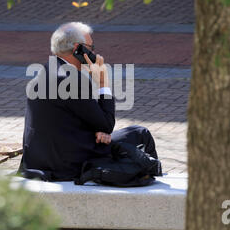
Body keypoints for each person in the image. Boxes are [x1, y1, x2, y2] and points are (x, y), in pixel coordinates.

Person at [18, 22, 159, 181]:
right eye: (91, 48)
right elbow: (106, 123)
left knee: (121, 141)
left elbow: (78, 116)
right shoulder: (71, 79)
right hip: (67, 165)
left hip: (38, 161)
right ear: (78, 48)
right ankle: (155, 183)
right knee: (140, 134)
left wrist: (98, 129)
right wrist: (102, 83)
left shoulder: (45, 70)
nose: (94, 54)